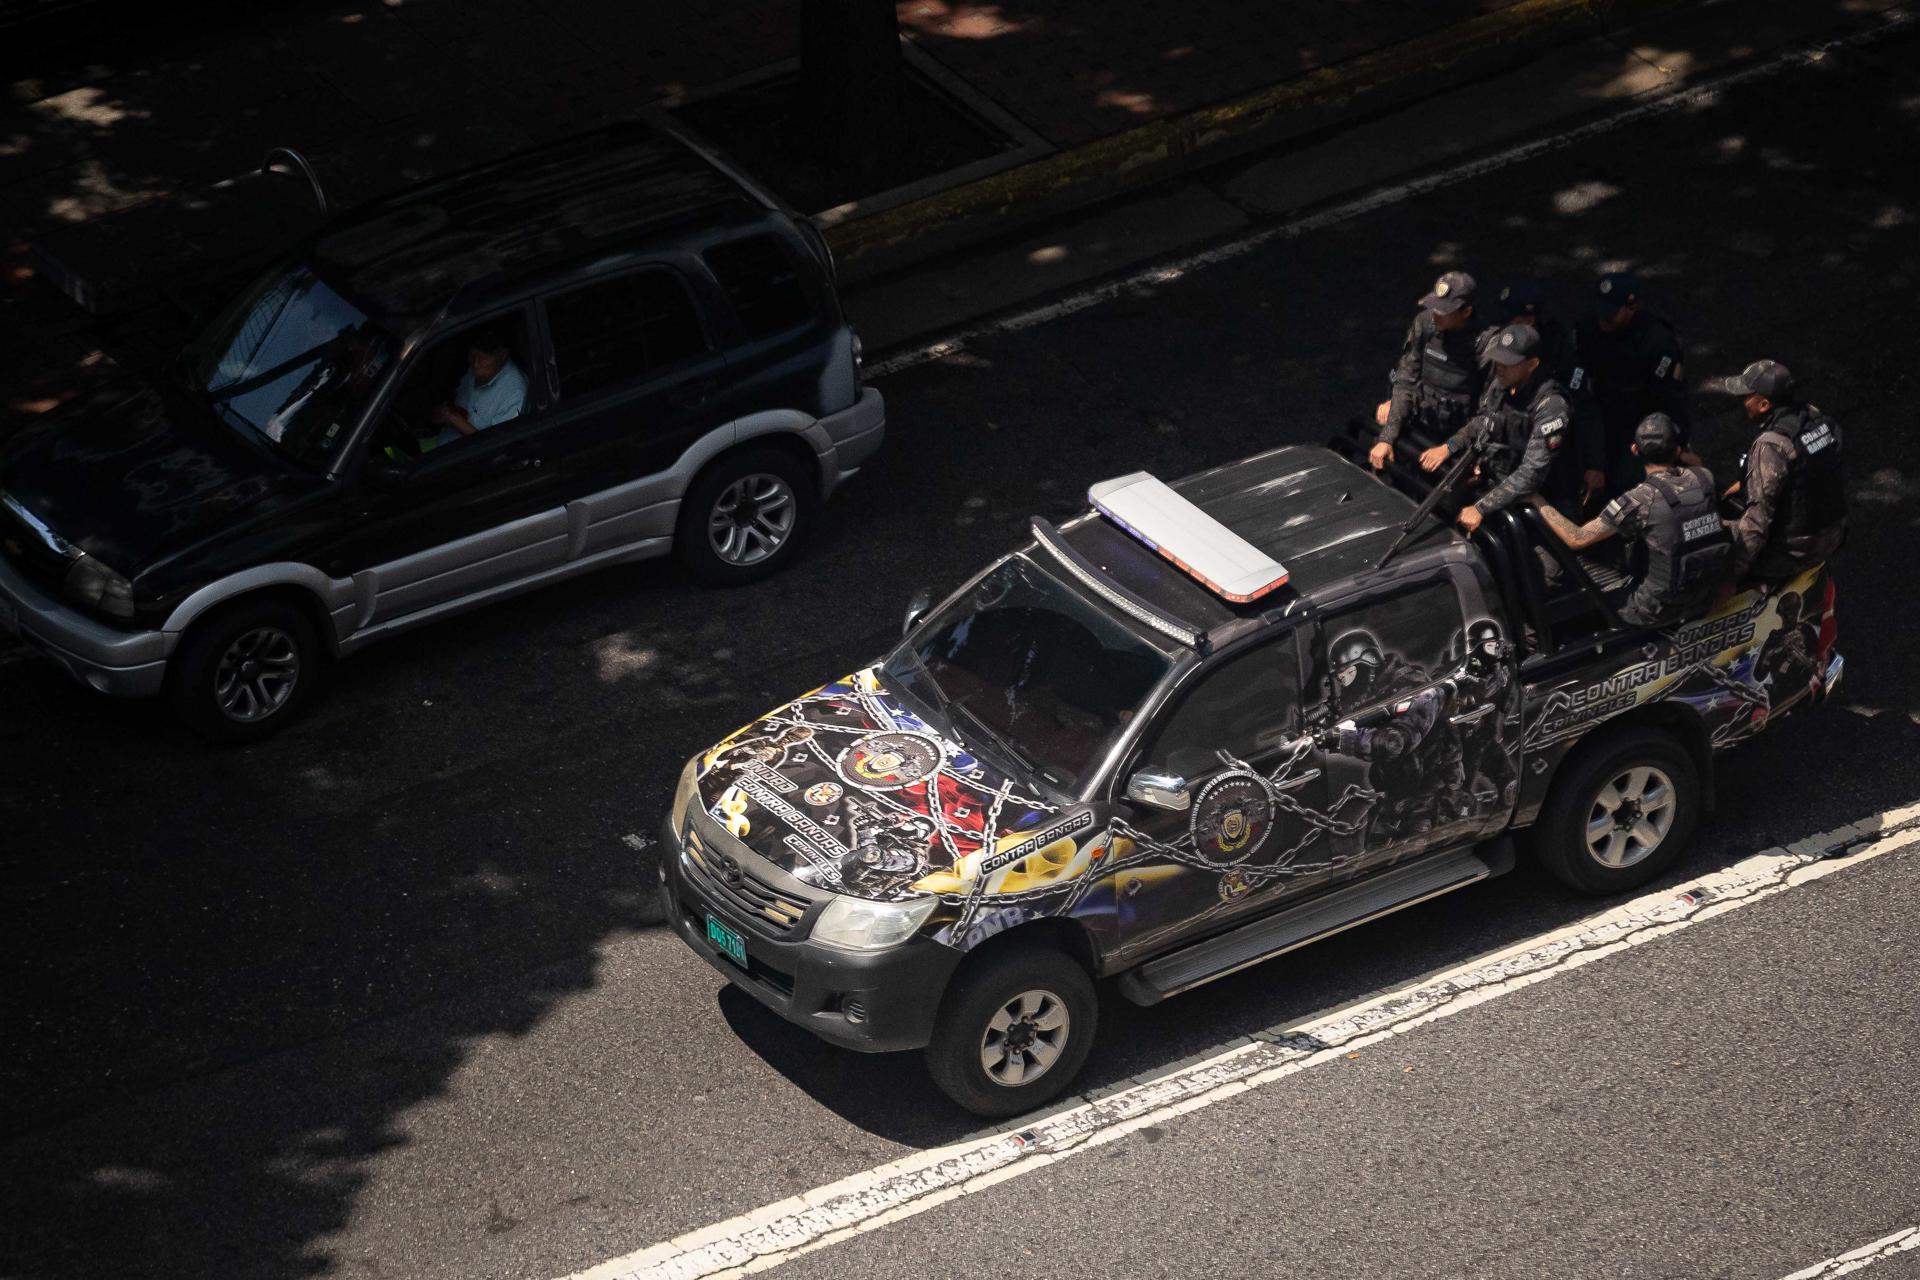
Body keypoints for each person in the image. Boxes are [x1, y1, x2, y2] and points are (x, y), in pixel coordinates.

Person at [1527, 413, 1733, 627]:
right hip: (1706, 593)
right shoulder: (1704, 477)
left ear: (1634, 450)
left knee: (1585, 611)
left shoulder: (1638, 500)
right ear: (1678, 450)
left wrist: (1537, 499)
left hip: (1658, 609)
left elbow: (1577, 538)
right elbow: (1695, 465)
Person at [1415, 323, 1573, 534]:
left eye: (1508, 363)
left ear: (1532, 364)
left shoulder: (1551, 404)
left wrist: (1482, 507)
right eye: (1498, 360)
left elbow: (1532, 471)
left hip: (1547, 505)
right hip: (1502, 489)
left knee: (1539, 567)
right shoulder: (1501, 384)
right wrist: (1450, 447)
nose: (1499, 367)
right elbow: (1483, 421)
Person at [1320, 629, 1463, 844]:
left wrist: (1344, 739)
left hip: (1433, 791)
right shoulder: (1372, 694)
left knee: (1414, 851)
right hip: (1397, 794)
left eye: (1345, 673)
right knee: (1374, 849)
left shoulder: (1415, 689)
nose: (1341, 681)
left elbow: (1394, 743)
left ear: (1364, 665)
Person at [1715, 359, 1846, 584]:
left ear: (1764, 404)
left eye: (1746, 397)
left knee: (1708, 534)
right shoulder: (1818, 420)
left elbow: (1757, 522)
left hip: (1794, 552)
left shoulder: (1772, 444)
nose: (1742, 402)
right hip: (1834, 534)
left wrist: (1732, 576)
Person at [1485, 279, 1607, 512]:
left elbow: (1585, 410)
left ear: (1529, 319)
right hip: (1510, 454)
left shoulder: (1560, 355)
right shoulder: (1501, 343)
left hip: (1554, 460)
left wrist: (1594, 464)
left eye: (1510, 318)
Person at [1576, 272, 1694, 497]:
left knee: (1630, 485)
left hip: (1640, 422)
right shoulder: (1589, 327)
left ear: (1631, 308)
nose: (1603, 321)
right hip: (1601, 412)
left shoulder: (1657, 342)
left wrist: (1679, 445)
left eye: (1610, 316)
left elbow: (1671, 398)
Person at [1369, 271, 1484, 471]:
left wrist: (1450, 448)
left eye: (1444, 311)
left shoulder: (1485, 345)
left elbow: (1491, 413)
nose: (1436, 314)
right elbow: (1406, 380)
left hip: (1460, 440)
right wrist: (1387, 437)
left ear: (1466, 312)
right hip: (1420, 424)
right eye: (1435, 307)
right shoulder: (1425, 324)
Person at [430, 325, 529, 448]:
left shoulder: (514, 391)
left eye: (482, 358)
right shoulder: (477, 371)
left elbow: (498, 446)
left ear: (503, 355)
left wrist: (454, 419)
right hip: (442, 441)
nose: (475, 365)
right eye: (472, 356)